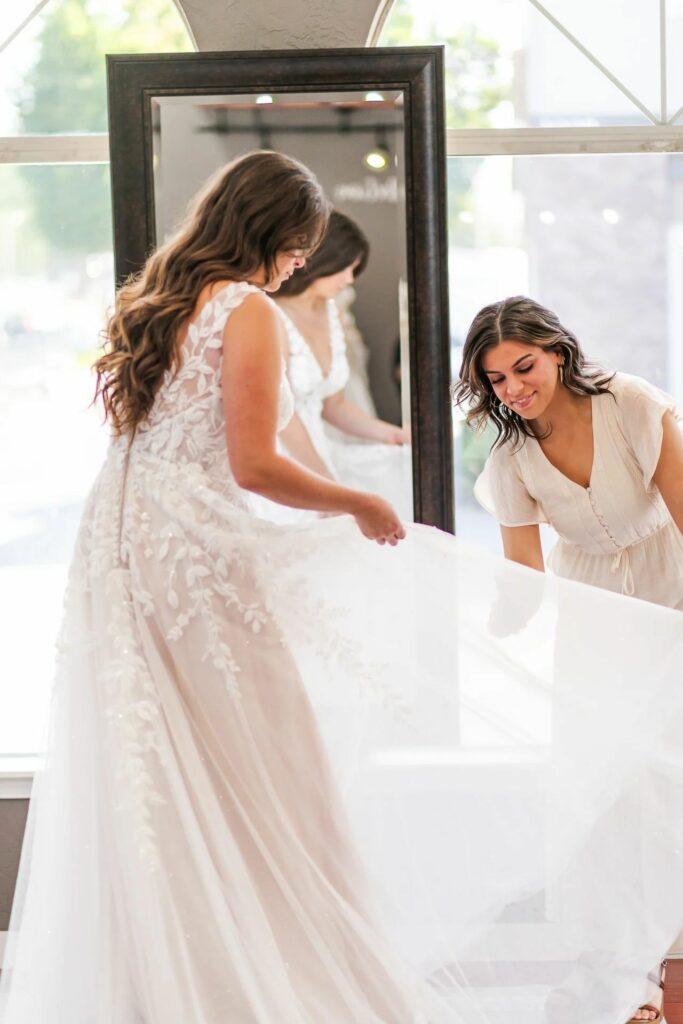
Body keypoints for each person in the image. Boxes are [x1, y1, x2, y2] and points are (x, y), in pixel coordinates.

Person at [2, 158, 683, 1024]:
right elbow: (256, 461)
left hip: (122, 549)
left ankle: (177, 976)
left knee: (165, 762)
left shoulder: (162, 307)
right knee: (278, 764)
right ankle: (276, 975)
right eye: (297, 248)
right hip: (198, 551)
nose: (295, 266)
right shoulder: (243, 308)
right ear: (273, 235)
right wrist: (354, 503)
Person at [454, 294, 683, 1021]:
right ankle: (627, 971)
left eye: (523, 366)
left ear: (556, 351)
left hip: (670, 597)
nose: (513, 388)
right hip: (592, 623)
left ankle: (655, 959)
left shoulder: (632, 405)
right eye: (495, 379)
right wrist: (479, 612)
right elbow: (523, 576)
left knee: (662, 783)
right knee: (607, 793)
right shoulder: (510, 457)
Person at [272, 209, 413, 520]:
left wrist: (391, 434)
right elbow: (283, 417)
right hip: (285, 460)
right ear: (322, 260)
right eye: (346, 268)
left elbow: (332, 404)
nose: (349, 279)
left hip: (321, 453)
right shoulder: (270, 316)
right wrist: (325, 487)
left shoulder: (331, 311)